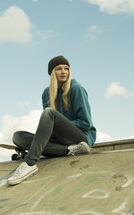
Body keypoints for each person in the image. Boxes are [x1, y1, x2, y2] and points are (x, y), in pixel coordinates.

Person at [7, 55, 96, 186]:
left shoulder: (76, 89)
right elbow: (50, 124)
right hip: (61, 140)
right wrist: (48, 132)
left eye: (66, 68)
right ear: (52, 73)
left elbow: (86, 123)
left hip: (81, 137)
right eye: (59, 69)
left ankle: (30, 162)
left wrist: (56, 126)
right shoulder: (46, 93)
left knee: (49, 112)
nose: (64, 72)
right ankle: (67, 150)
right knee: (18, 136)